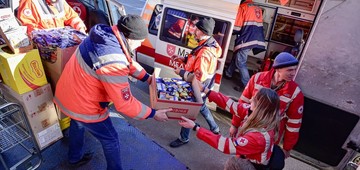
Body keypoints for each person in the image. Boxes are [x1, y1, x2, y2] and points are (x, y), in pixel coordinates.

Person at [53, 15, 171, 169]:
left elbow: (127, 62)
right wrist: (153, 114)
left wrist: (147, 79)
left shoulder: (104, 35)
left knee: (77, 122)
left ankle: (75, 158)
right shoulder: (113, 61)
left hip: (70, 94)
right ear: (130, 38)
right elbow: (125, 104)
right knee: (111, 139)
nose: (141, 44)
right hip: (85, 105)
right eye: (140, 40)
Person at [179, 88, 280, 169]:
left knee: (233, 163)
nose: (250, 100)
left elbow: (226, 145)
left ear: (260, 108)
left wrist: (196, 127)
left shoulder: (258, 138)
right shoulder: (259, 114)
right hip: (253, 156)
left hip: (254, 165)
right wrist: (206, 90)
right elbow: (230, 105)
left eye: (254, 100)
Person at [236, 52, 304, 169]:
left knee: (260, 163)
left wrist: (287, 148)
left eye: (294, 69)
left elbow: (294, 123)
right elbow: (242, 104)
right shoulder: (257, 79)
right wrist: (234, 125)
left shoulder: (295, 92)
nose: (293, 73)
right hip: (247, 130)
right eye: (289, 70)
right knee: (240, 159)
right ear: (278, 69)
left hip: (270, 137)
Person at [169, 17, 222, 148]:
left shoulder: (204, 53)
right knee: (202, 107)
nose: (194, 31)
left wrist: (180, 72)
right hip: (205, 89)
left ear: (203, 32)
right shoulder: (211, 44)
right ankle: (215, 128)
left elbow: (198, 78)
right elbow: (195, 58)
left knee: (189, 113)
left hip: (196, 88)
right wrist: (184, 58)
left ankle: (184, 138)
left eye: (196, 29)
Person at [224, 0, 266, 91]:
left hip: (247, 39)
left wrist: (226, 31)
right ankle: (228, 73)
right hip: (256, 38)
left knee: (240, 62)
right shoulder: (257, 8)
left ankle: (247, 87)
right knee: (237, 56)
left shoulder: (243, 7)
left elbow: (236, 27)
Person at [17, 0, 86, 35]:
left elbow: (72, 17)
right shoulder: (29, 2)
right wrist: (45, 37)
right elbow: (27, 26)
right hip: (42, 47)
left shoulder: (60, 1)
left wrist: (81, 29)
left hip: (60, 42)